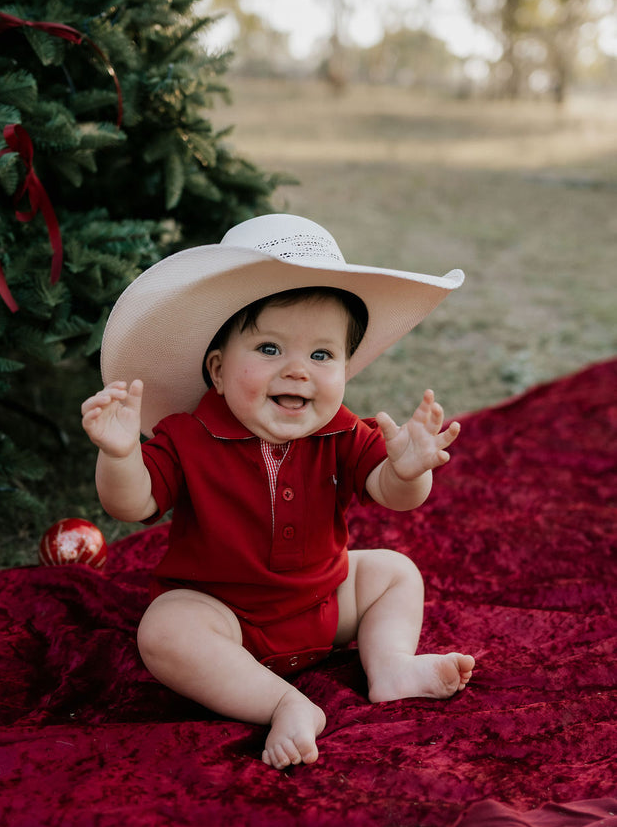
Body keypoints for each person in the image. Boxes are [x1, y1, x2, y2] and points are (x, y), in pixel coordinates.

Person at [81, 214, 475, 771]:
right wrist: (119, 454)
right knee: (165, 628)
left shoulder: (339, 428)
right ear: (217, 370)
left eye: (321, 355)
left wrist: (409, 471)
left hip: (324, 604)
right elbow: (132, 503)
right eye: (269, 349)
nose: (297, 371)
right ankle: (286, 703)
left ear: (345, 368)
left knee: (394, 571)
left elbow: (389, 492)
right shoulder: (189, 435)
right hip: (226, 617)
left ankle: (389, 667)